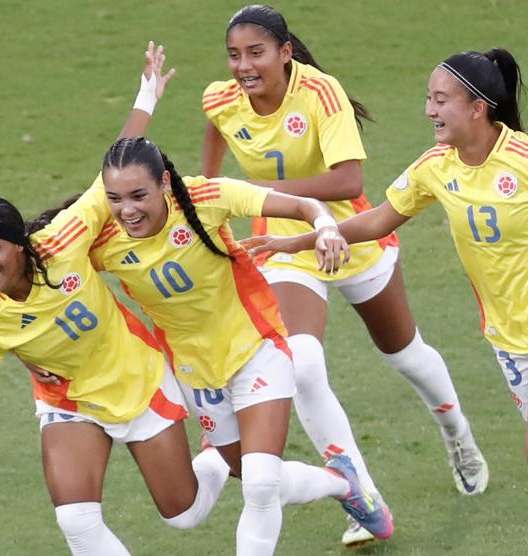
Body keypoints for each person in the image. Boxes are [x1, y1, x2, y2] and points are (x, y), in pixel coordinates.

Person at [0, 44, 378, 556]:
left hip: (191, 365)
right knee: (99, 521)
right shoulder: (3, 302)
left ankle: (328, 480)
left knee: (229, 497)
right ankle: (273, 466)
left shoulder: (88, 233)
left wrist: (147, 95)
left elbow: (120, 168)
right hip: (112, 389)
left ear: (21, 245)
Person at [244, 48, 528, 556]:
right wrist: (301, 239)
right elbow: (376, 221)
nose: (428, 110)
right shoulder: (435, 167)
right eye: (428, 98)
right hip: (510, 339)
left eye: (440, 100)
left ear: (478, 107)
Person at [200, 4, 488, 545]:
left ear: (285, 53)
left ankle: (459, 436)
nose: (244, 65)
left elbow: (347, 178)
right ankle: (361, 496)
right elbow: (214, 141)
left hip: (352, 232)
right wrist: (208, 198)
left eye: (256, 53)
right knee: (302, 364)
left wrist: (268, 196)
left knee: (406, 354)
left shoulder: (320, 92)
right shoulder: (220, 98)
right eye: (235, 55)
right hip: (281, 244)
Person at [71, 135, 393, 551]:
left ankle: (338, 483)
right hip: (195, 373)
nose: (127, 211)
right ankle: (341, 482)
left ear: (165, 183)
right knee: (255, 476)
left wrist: (326, 229)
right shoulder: (103, 240)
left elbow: (301, 205)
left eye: (138, 195)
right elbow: (54, 262)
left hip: (255, 349)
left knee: (259, 487)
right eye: (114, 199)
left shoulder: (206, 197)